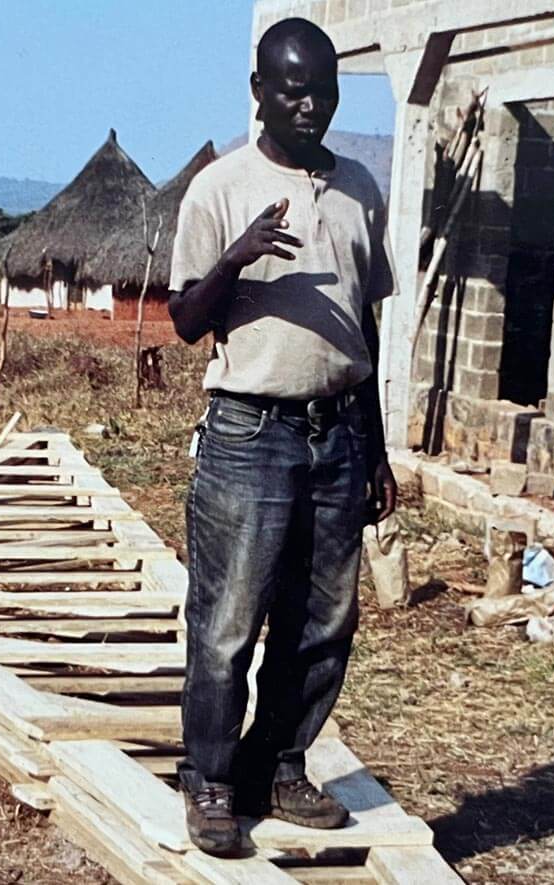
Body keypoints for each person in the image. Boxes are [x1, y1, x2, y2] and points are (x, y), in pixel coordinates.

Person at [167, 17, 397, 856]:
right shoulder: (219, 187)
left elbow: (361, 333)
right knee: (228, 621)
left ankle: (279, 763)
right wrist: (238, 256)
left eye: (324, 90)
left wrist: (374, 450)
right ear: (260, 90)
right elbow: (187, 319)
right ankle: (212, 781)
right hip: (249, 433)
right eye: (293, 88)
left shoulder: (361, 190)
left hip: (335, 433)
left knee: (323, 622)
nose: (310, 105)